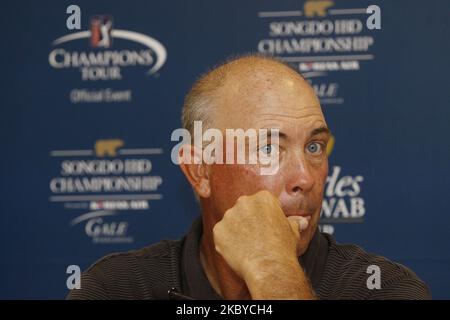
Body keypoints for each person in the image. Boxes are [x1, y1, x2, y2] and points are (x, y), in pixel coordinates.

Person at [67, 55, 430, 300]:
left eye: (315, 147)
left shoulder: (382, 289)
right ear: (199, 171)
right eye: (269, 149)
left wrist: (273, 271)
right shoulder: (116, 289)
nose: (304, 177)